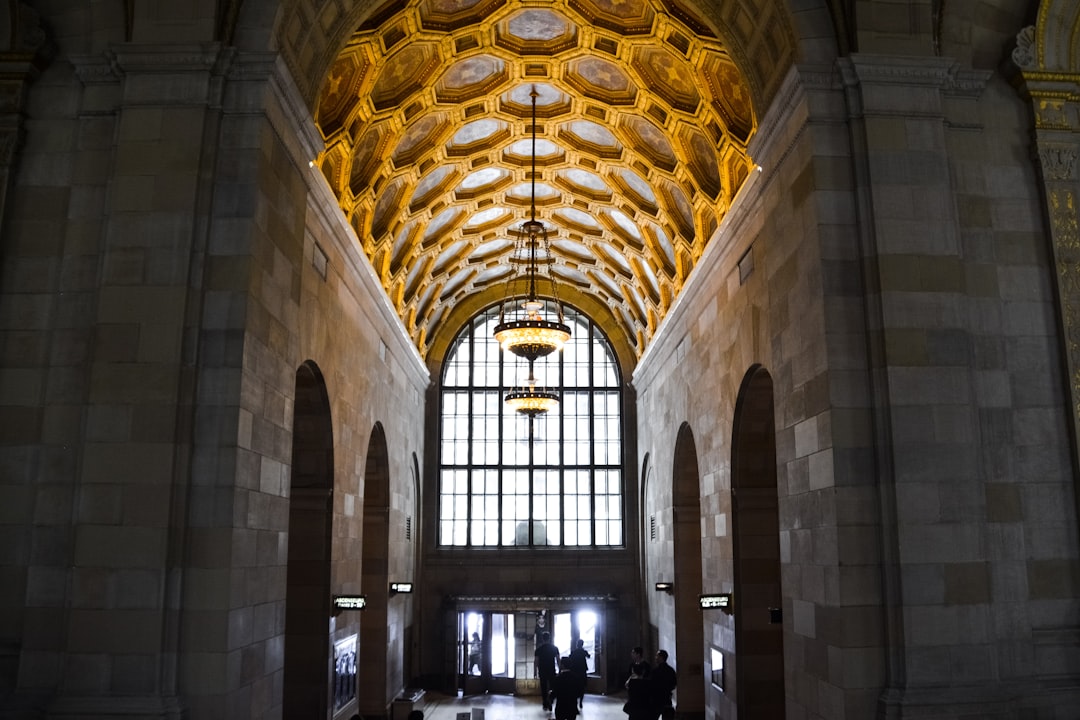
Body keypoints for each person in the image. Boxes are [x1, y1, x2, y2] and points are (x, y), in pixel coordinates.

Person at [534, 630, 561, 712]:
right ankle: (551, 700)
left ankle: (545, 703)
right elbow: (558, 660)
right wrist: (560, 669)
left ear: (542, 639)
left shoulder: (539, 649)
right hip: (551, 669)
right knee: (553, 687)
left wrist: (535, 671)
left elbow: (536, 661)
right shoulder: (554, 648)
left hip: (542, 670)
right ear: (549, 638)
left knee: (543, 687)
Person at [650, 650, 677, 720]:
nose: (655, 657)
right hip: (667, 698)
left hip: (656, 699)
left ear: (661, 657)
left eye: (657, 656)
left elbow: (651, 685)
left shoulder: (655, 671)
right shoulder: (671, 670)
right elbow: (674, 684)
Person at [568, 638, 590, 708]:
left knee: (575, 687)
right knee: (582, 687)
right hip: (582, 671)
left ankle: (575, 702)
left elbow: (570, 658)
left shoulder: (574, 652)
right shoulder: (584, 652)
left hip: (575, 671)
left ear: (577, 645)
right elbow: (588, 656)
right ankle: (581, 701)